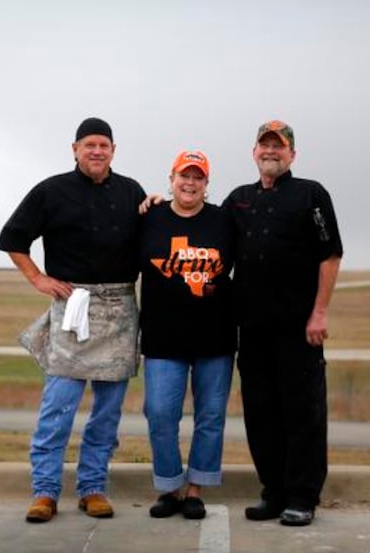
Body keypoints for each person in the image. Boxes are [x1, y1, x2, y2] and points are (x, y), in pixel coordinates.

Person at [0, 117, 146, 523]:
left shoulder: (131, 191)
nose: (97, 151)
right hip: (72, 306)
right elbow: (13, 239)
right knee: (58, 406)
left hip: (119, 309)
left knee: (107, 412)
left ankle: (93, 488)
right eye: (89, 145)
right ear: (75, 149)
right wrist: (38, 278)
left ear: (113, 150)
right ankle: (44, 491)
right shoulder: (51, 190)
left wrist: (153, 206)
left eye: (104, 145)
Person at [222, 120, 343, 527]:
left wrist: (320, 312)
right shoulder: (238, 200)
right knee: (261, 414)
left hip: (298, 328)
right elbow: (204, 231)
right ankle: (273, 492)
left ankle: (302, 496)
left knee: (302, 413)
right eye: (264, 145)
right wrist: (159, 203)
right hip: (251, 329)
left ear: (292, 153)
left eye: (279, 146)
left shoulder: (311, 194)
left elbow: (330, 255)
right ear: (254, 151)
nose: (270, 151)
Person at [138, 150, 236, 520]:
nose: (190, 183)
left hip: (216, 336)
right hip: (164, 338)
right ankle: (170, 487)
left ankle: (195, 489)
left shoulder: (224, 221)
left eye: (198, 177)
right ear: (172, 178)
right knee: (161, 413)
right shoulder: (150, 218)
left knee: (210, 416)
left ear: (207, 184)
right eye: (184, 175)